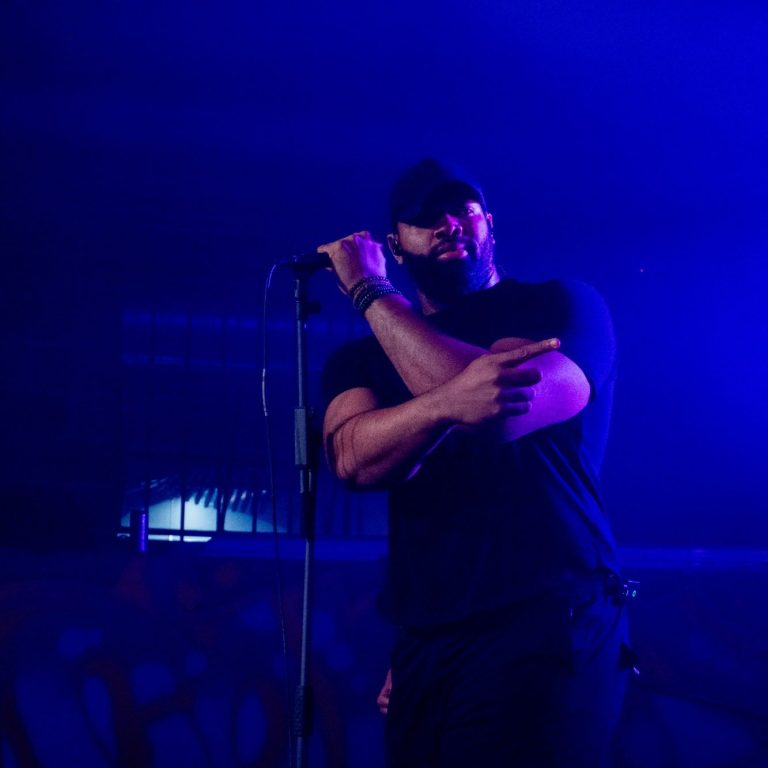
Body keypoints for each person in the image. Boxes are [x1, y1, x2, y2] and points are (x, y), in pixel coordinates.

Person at [319, 159, 630, 767]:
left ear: (489, 221)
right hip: (428, 637)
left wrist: (371, 293)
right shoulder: (361, 359)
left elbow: (501, 410)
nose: (447, 223)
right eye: (424, 217)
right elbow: (353, 459)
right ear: (395, 245)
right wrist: (442, 405)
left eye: (461, 208)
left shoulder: (558, 305)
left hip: (550, 617)